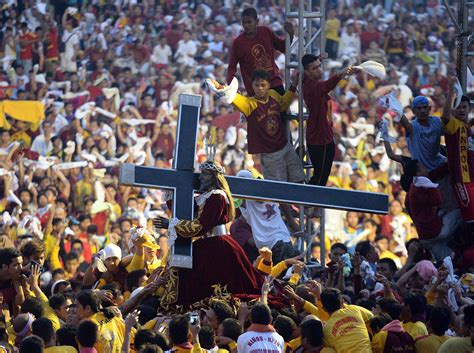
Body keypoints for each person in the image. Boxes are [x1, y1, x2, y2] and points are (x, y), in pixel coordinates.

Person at [154, 159, 264, 307]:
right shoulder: (206, 196)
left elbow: (201, 225)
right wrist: (173, 190)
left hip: (218, 245)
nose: (200, 177)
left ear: (214, 176)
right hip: (208, 244)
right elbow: (188, 211)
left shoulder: (217, 196)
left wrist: (171, 224)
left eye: (204, 174)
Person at [301, 54, 360, 186]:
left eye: (319, 66)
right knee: (319, 179)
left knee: (321, 177)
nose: (319, 70)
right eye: (315, 68)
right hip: (319, 139)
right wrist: (340, 74)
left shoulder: (309, 80)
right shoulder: (312, 87)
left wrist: (318, 57)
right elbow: (327, 85)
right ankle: (307, 203)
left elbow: (308, 68)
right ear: (307, 72)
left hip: (325, 137)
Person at [227, 7, 294, 96]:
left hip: (274, 83)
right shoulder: (238, 43)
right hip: (255, 89)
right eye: (244, 22)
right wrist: (232, 88)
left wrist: (290, 35)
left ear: (256, 21)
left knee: (282, 109)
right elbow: (232, 67)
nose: (246, 25)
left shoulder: (266, 32)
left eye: (249, 22)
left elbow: (283, 47)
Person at [441, 76, 474, 223]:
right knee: (470, 218)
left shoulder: (468, 128)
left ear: (469, 109)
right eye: (458, 107)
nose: (461, 110)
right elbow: (446, 115)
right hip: (462, 180)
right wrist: (450, 93)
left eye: (464, 107)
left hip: (472, 178)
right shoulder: (453, 124)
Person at [320, 288, 373, 352]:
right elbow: (371, 317)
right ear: (343, 302)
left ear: (324, 309)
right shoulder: (354, 309)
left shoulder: (326, 330)